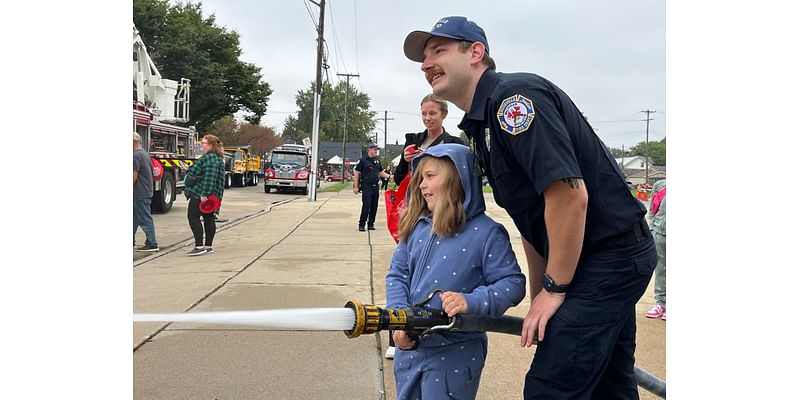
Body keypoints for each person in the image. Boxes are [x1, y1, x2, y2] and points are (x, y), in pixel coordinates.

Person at [403, 16, 658, 398]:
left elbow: (569, 196)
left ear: (476, 53)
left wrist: (555, 290)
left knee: (550, 388)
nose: (426, 65)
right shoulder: (479, 126)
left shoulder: (513, 101)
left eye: (438, 51)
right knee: (610, 383)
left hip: (611, 257)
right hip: (583, 262)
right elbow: (531, 219)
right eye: (424, 57)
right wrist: (541, 292)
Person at [385, 143, 526, 399]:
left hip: (457, 353)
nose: (421, 186)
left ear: (456, 179)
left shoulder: (486, 233)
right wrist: (400, 320)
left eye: (430, 177)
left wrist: (471, 301)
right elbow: (398, 273)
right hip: (411, 349)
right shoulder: (418, 228)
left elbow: (512, 283)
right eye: (420, 179)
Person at [393, 94, 466, 185]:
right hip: (415, 197)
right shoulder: (413, 141)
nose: (427, 118)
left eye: (432, 113)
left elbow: (462, 179)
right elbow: (398, 180)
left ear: (444, 114)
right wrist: (404, 161)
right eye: (424, 114)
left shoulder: (455, 144)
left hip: (443, 198)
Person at [184, 134, 225, 256]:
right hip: (211, 195)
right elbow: (204, 175)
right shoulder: (215, 158)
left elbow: (209, 178)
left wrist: (205, 194)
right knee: (208, 218)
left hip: (200, 193)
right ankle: (208, 246)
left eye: (203, 143)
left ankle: (199, 246)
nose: (201, 145)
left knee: (193, 217)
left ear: (211, 145)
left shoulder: (210, 159)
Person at [353, 143, 391, 232]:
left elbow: (381, 172)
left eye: (376, 150)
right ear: (369, 150)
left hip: (375, 186)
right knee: (366, 205)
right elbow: (357, 173)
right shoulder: (363, 161)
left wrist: (390, 177)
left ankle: (371, 224)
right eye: (374, 149)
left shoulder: (377, 161)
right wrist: (356, 186)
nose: (376, 151)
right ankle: (362, 224)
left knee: (374, 205)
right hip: (366, 186)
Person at [133, 132, 159, 252]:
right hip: (145, 190)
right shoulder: (144, 153)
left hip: (139, 192)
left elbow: (134, 175)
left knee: (144, 217)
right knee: (134, 217)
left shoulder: (136, 156)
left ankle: (152, 243)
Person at [645, 179, 667, 321]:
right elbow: (653, 210)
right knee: (660, 270)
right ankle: (661, 303)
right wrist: (652, 228)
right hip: (660, 234)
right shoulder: (661, 185)